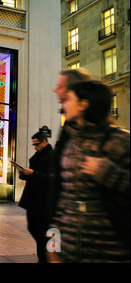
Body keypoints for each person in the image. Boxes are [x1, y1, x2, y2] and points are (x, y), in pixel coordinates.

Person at [48, 80, 130, 263]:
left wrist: (108, 173)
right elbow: (62, 203)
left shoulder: (121, 140)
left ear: (84, 103)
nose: (63, 104)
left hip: (110, 252)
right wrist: (53, 246)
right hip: (70, 252)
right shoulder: (72, 145)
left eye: (69, 99)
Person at [48, 68, 91, 224]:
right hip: (67, 227)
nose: (55, 90)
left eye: (60, 86)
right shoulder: (70, 126)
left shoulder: (85, 133)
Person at [18, 132, 53, 263]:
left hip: (44, 202)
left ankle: (46, 259)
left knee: (45, 232)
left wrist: (33, 173)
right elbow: (34, 176)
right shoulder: (36, 157)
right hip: (33, 200)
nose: (35, 147)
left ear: (45, 142)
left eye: (36, 144)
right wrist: (24, 174)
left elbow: (51, 180)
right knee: (34, 228)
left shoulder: (52, 157)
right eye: (33, 145)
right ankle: (43, 258)